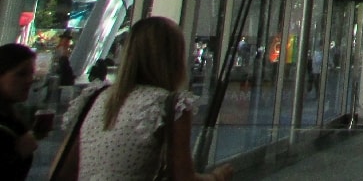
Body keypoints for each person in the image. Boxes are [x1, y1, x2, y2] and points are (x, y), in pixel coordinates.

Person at [57, 16, 235, 181]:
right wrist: (217, 177)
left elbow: (63, 169)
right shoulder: (170, 105)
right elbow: (183, 178)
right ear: (173, 58)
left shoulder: (95, 97)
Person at [0, 43, 52, 180]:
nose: (29, 80)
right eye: (21, 74)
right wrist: (19, 153)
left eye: (31, 74)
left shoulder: (10, 117)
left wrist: (33, 135)